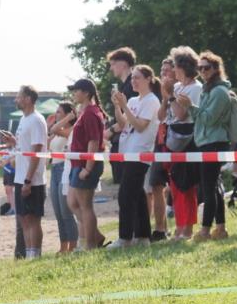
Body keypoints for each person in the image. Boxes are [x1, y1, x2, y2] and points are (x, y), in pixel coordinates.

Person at [176, 51, 234, 242]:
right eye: (200, 68)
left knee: (208, 188)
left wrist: (190, 106)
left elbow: (208, 119)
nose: (202, 71)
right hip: (207, 141)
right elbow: (203, 118)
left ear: (217, 69)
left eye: (206, 68)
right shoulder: (209, 89)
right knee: (213, 186)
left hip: (214, 142)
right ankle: (220, 228)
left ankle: (205, 230)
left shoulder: (218, 91)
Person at [110, 65, 161, 247]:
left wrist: (124, 106)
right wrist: (118, 107)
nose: (133, 81)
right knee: (138, 195)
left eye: (137, 78)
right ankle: (143, 236)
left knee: (126, 195)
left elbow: (140, 126)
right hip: (127, 151)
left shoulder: (152, 101)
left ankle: (125, 237)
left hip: (141, 152)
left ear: (148, 79)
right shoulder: (132, 100)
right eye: (132, 78)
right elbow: (124, 124)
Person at [0, 86, 48, 258]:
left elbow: (36, 152)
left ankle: (34, 254)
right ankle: (29, 253)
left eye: (18, 97)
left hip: (32, 179)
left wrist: (28, 180)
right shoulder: (24, 119)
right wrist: (13, 141)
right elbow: (24, 147)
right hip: (21, 177)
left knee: (32, 219)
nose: (16, 100)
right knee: (24, 219)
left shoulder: (36, 120)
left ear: (28, 99)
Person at [65, 79, 108, 250]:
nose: (74, 93)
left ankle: (91, 244)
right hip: (78, 163)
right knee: (74, 203)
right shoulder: (85, 112)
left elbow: (93, 141)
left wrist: (88, 167)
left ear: (87, 93)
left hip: (85, 164)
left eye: (77, 90)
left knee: (85, 206)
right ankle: (96, 236)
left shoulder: (90, 113)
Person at [167, 47, 202, 240]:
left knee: (185, 186)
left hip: (188, 140)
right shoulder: (178, 87)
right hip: (174, 139)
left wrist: (171, 95)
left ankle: (186, 228)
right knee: (175, 187)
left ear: (183, 67)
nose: (173, 71)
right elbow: (164, 115)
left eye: (175, 66)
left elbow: (182, 114)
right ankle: (180, 226)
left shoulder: (195, 88)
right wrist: (167, 96)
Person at [149, 58, 177, 242]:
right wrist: (165, 97)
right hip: (161, 140)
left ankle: (182, 226)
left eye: (168, 70)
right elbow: (160, 116)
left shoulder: (183, 87)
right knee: (156, 184)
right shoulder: (160, 91)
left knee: (177, 185)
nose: (164, 74)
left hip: (177, 141)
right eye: (162, 70)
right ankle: (160, 229)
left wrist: (171, 95)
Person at [47, 102, 78, 253]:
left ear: (68, 114)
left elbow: (54, 128)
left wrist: (69, 118)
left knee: (66, 212)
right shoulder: (58, 131)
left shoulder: (71, 130)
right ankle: (63, 245)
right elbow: (48, 141)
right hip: (54, 169)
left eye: (59, 112)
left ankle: (73, 245)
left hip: (64, 168)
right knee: (58, 212)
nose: (56, 114)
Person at [106, 47, 137, 185]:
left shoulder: (132, 86)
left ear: (124, 64)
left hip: (130, 143)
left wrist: (109, 131)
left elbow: (130, 118)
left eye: (113, 64)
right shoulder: (124, 86)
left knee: (129, 191)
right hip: (124, 142)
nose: (111, 68)